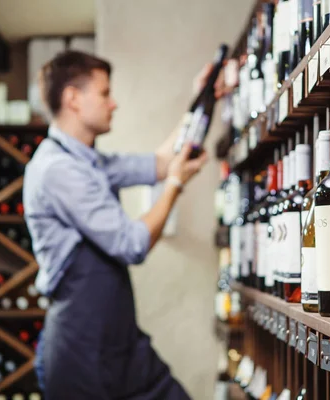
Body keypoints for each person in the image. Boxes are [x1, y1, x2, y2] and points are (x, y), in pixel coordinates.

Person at [23, 50, 217, 399]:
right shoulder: (58, 170)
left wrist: (203, 96)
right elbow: (132, 243)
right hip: (79, 353)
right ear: (73, 99)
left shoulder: (88, 161)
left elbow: (161, 162)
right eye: (104, 93)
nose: (113, 104)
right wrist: (173, 185)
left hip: (118, 344)